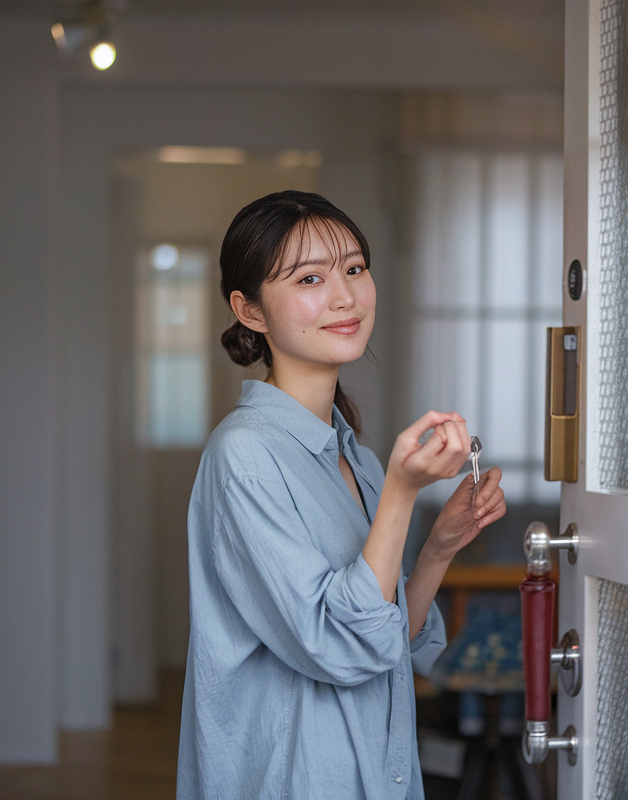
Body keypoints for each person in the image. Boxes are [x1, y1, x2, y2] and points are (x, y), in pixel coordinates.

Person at [177, 190, 507, 799]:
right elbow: (342, 649)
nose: (345, 296)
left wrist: (438, 547)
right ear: (249, 311)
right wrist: (403, 495)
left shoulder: (354, 454)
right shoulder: (245, 456)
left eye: (354, 268)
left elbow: (388, 639)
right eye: (310, 278)